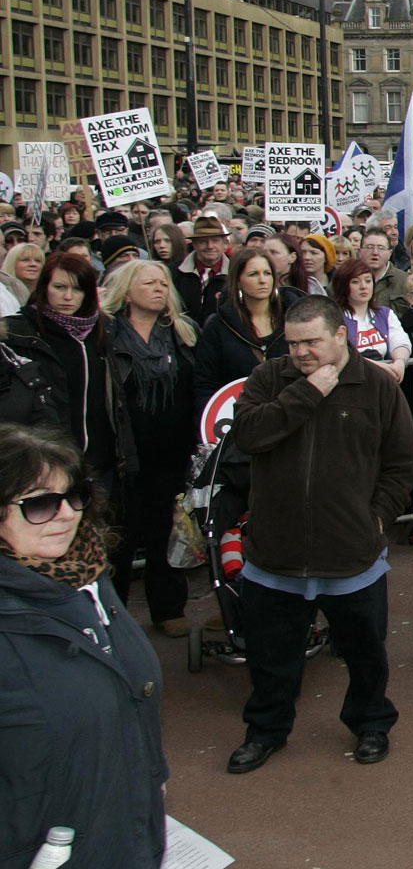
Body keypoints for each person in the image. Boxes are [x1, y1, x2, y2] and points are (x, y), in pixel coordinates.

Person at [223, 297, 413, 774]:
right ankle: (266, 731)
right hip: (275, 553)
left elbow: (402, 463)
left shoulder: (375, 384)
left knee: (365, 653)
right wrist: (307, 392)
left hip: (352, 554)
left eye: (311, 341)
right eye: (293, 343)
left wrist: (377, 518)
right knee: (271, 658)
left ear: (340, 336)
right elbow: (248, 435)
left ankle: (371, 723)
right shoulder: (270, 379)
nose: (301, 352)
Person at [0, 426, 168, 867]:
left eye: (75, 495)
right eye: (38, 503)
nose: (66, 514)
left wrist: (153, 777)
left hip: (124, 829)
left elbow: (129, 695)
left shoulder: (87, 575)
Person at [99, 260, 199, 637]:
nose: (160, 288)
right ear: (126, 290)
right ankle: (115, 617)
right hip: (124, 452)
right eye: (149, 282)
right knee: (119, 540)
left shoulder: (182, 332)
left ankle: (168, 608)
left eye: (163, 282)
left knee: (166, 532)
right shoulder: (105, 335)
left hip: (173, 451)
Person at [5, 253, 117, 491]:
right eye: (59, 287)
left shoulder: (104, 330)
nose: (68, 297)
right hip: (44, 460)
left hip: (100, 460)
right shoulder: (20, 333)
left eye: (77, 289)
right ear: (44, 287)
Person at [195, 248, 289, 409]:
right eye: (253, 274)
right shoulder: (218, 325)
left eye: (267, 273)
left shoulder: (292, 320)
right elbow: (205, 383)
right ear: (238, 280)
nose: (262, 280)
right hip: (238, 418)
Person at [332, 257, 410, 381]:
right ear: (343, 285)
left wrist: (400, 361)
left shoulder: (385, 313)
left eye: (368, 281)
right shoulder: (334, 317)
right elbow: (340, 354)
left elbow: (400, 340)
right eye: (355, 282)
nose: (363, 287)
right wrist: (378, 367)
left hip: (382, 382)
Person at [175, 216, 230, 322]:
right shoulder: (175, 272)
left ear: (224, 244)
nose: (209, 246)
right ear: (194, 244)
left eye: (215, 241)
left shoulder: (236, 272)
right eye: (203, 241)